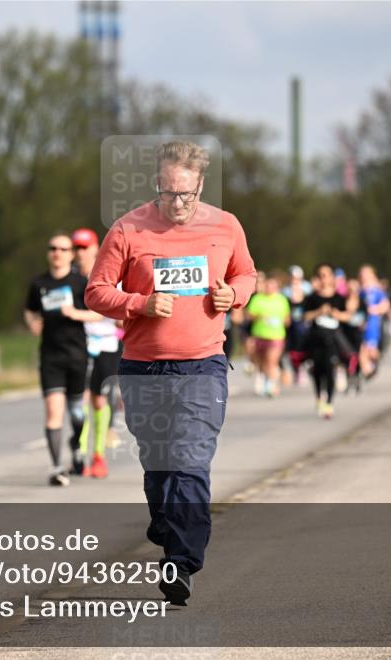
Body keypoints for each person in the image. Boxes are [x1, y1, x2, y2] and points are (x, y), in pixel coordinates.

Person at [85, 140, 257, 606]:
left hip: (203, 364)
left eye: (187, 194)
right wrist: (138, 303)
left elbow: (247, 275)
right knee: (158, 460)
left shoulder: (226, 225)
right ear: (156, 185)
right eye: (168, 193)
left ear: (200, 184)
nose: (178, 204)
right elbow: (96, 292)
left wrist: (234, 296)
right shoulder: (128, 229)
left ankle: (181, 562)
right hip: (143, 368)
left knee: (190, 459)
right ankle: (166, 523)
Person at [25, 233, 97, 487]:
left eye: (63, 249)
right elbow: (30, 310)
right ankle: (56, 467)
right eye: (53, 248)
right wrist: (33, 323)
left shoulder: (80, 282)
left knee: (77, 413)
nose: (57, 252)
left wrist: (76, 313)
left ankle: (76, 444)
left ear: (70, 254)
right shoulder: (39, 283)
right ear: (48, 253)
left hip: (77, 355)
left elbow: (98, 314)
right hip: (50, 356)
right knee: (53, 413)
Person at [71, 227, 120, 479]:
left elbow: (116, 307)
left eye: (84, 247)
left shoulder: (108, 272)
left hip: (106, 345)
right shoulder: (68, 279)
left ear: (95, 248)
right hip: (78, 345)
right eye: (76, 248)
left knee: (98, 399)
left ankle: (98, 454)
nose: (80, 253)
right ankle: (78, 452)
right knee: (79, 400)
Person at [303, 263, 356, 418]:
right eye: (321, 275)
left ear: (333, 278)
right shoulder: (312, 297)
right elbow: (304, 316)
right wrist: (319, 311)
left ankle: (329, 403)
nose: (324, 279)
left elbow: (348, 316)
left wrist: (334, 314)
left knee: (330, 369)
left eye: (327, 275)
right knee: (317, 370)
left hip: (332, 338)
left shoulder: (339, 298)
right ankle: (319, 396)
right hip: (315, 338)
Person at [245, 271, 291, 397]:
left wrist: (281, 321)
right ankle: (263, 378)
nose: (269, 288)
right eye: (267, 285)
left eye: (272, 286)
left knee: (272, 361)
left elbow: (287, 319)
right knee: (262, 362)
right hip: (259, 334)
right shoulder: (257, 299)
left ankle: (271, 385)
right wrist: (260, 316)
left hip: (276, 336)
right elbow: (249, 315)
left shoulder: (282, 300)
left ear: (277, 287)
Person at [357, 264, 390, 378]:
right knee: (363, 347)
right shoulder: (359, 290)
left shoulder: (376, 290)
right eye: (362, 274)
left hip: (373, 323)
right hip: (362, 323)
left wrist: (375, 310)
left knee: (371, 349)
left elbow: (386, 305)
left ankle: (372, 366)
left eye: (366, 273)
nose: (364, 276)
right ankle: (367, 370)